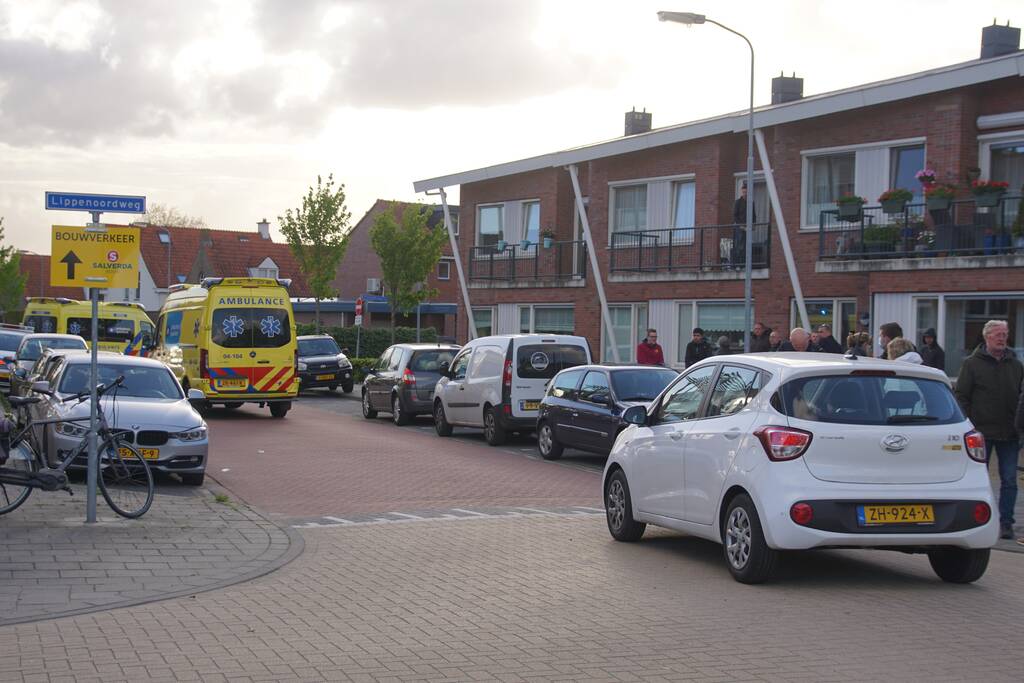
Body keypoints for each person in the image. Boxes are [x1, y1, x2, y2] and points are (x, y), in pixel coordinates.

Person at [957, 320, 1022, 540]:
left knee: (1010, 480)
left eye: (1005, 334)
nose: (1002, 338)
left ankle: (1006, 523)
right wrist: (969, 427)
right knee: (980, 479)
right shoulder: (972, 364)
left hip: (1010, 433)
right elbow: (962, 397)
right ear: (987, 337)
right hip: (981, 434)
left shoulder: (1015, 364)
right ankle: (982, 519)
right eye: (998, 334)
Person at [730, 182, 756, 268]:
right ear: (742, 192)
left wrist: (753, 225)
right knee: (739, 246)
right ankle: (738, 265)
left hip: (748, 228)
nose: (745, 194)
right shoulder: (738, 202)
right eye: (743, 192)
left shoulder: (751, 202)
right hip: (740, 228)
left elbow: (753, 215)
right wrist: (740, 226)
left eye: (746, 192)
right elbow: (735, 215)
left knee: (747, 245)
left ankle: (746, 264)